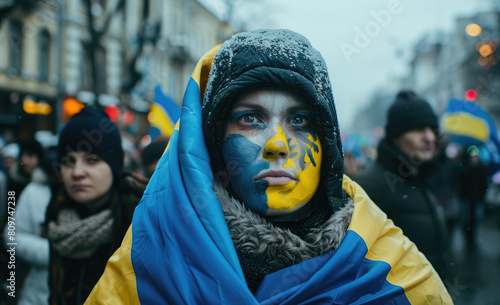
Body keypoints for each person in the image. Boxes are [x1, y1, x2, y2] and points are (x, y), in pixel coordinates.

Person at [87, 30, 452, 304]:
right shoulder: (149, 262)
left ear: (328, 143)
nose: (278, 145)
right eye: (250, 119)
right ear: (214, 142)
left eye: (301, 121)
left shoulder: (395, 271)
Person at [44, 107, 147, 305]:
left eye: (92, 160)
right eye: (68, 161)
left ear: (114, 166)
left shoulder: (141, 224)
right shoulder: (57, 214)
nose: (77, 172)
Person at [354, 90, 449, 278]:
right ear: (396, 135)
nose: (429, 137)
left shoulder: (423, 177)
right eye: (419, 129)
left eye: (432, 129)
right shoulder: (370, 185)